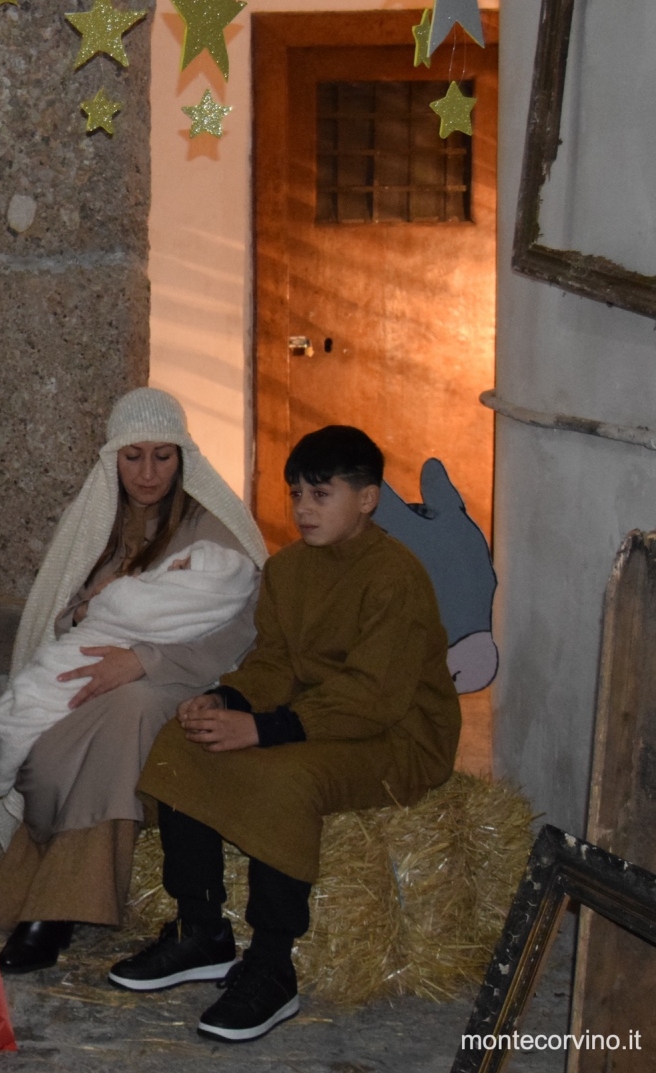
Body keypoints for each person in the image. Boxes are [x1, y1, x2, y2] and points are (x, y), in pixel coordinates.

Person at [113, 425, 459, 1042]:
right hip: (318, 714)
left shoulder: (396, 576)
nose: (303, 508)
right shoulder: (288, 569)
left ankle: (273, 968)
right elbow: (274, 663)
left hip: (395, 734)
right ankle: (201, 930)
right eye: (296, 493)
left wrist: (266, 728)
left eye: (321, 494)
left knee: (285, 779)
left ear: (368, 499)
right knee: (182, 741)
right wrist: (225, 699)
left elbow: (374, 697)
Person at [0, 388, 269, 976]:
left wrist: (143, 660)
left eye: (162, 456)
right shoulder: (101, 525)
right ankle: (43, 895)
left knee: (129, 710)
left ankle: (54, 912)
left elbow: (239, 630)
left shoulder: (212, 529)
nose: (147, 473)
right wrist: (91, 610)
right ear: (112, 459)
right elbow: (64, 615)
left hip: (181, 679)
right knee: (52, 747)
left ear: (183, 456)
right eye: (133, 456)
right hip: (96, 677)